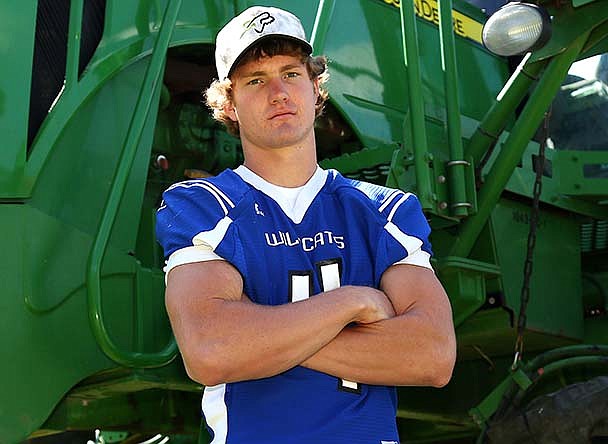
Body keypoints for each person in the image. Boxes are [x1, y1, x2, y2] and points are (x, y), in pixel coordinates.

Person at [156, 5, 456, 444]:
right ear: (230, 104)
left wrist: (258, 337)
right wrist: (350, 305)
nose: (278, 92)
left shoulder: (386, 210)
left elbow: (433, 356)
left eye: (291, 74)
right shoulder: (203, 207)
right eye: (256, 80)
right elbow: (210, 351)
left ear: (316, 89)